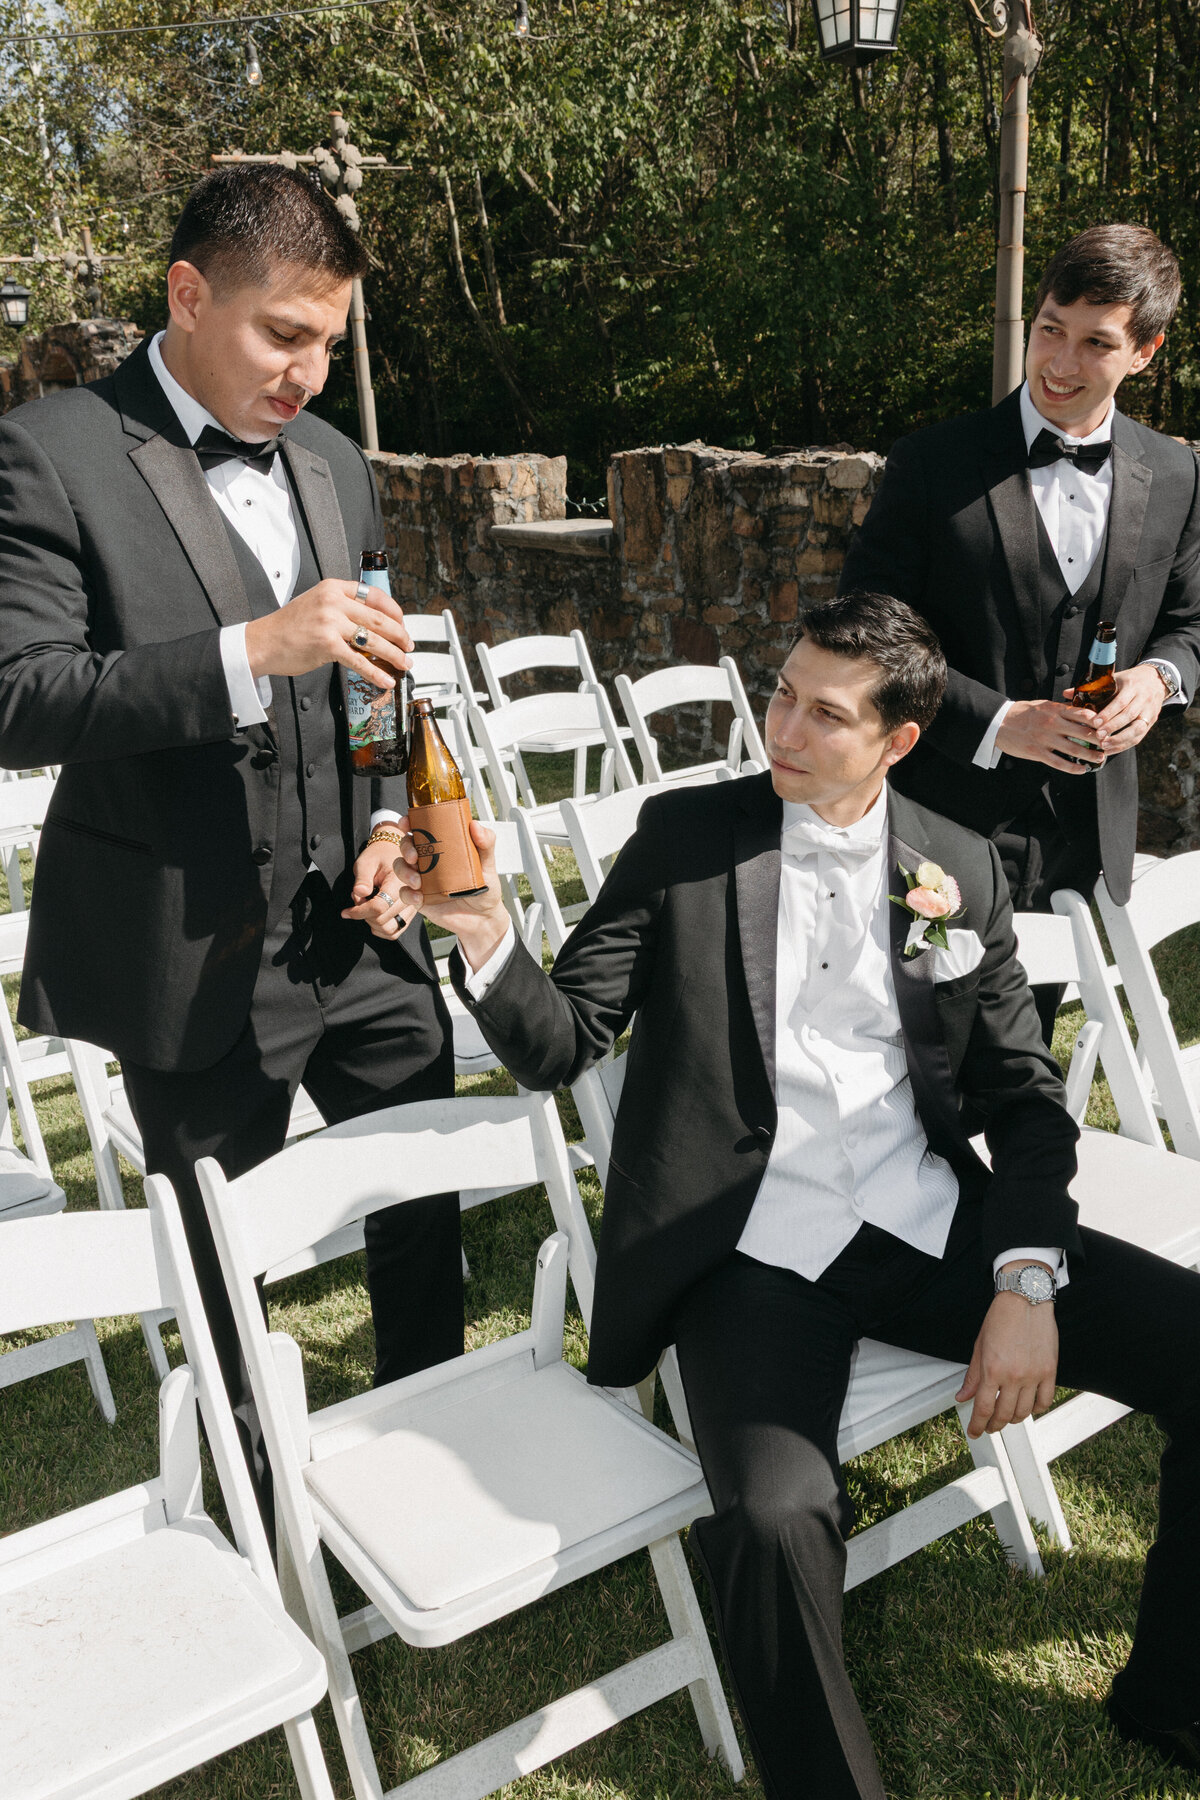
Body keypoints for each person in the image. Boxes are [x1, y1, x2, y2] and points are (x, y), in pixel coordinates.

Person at [380, 593, 1200, 1800]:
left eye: (826, 714)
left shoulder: (957, 864)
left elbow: (1025, 1099)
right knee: (772, 1520)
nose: (784, 729)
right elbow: (562, 1042)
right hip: (744, 1253)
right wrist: (485, 931)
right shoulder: (686, 838)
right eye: (781, 694)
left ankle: (1174, 1697)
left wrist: (1026, 1281)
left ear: (899, 741)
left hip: (925, 1218)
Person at [0, 165, 462, 1515]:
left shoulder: (336, 462)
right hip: (191, 943)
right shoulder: (48, 450)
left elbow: (374, 677)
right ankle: (260, 1504)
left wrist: (394, 822)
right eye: (283, 335)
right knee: (222, 1258)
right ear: (189, 294)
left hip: (364, 934)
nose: (309, 374)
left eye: (330, 341)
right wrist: (248, 650)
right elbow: (20, 699)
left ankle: (430, 1447)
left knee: (424, 1193)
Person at [840, 224, 1200, 1037]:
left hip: (1083, 834)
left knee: (1024, 1058)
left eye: (1095, 343)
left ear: (1145, 353)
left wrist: (1160, 680)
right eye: (1049, 330)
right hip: (938, 817)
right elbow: (866, 627)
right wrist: (1000, 722)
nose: (1060, 363)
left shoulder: (1177, 474)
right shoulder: (931, 463)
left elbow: (1191, 623)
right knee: (913, 1052)